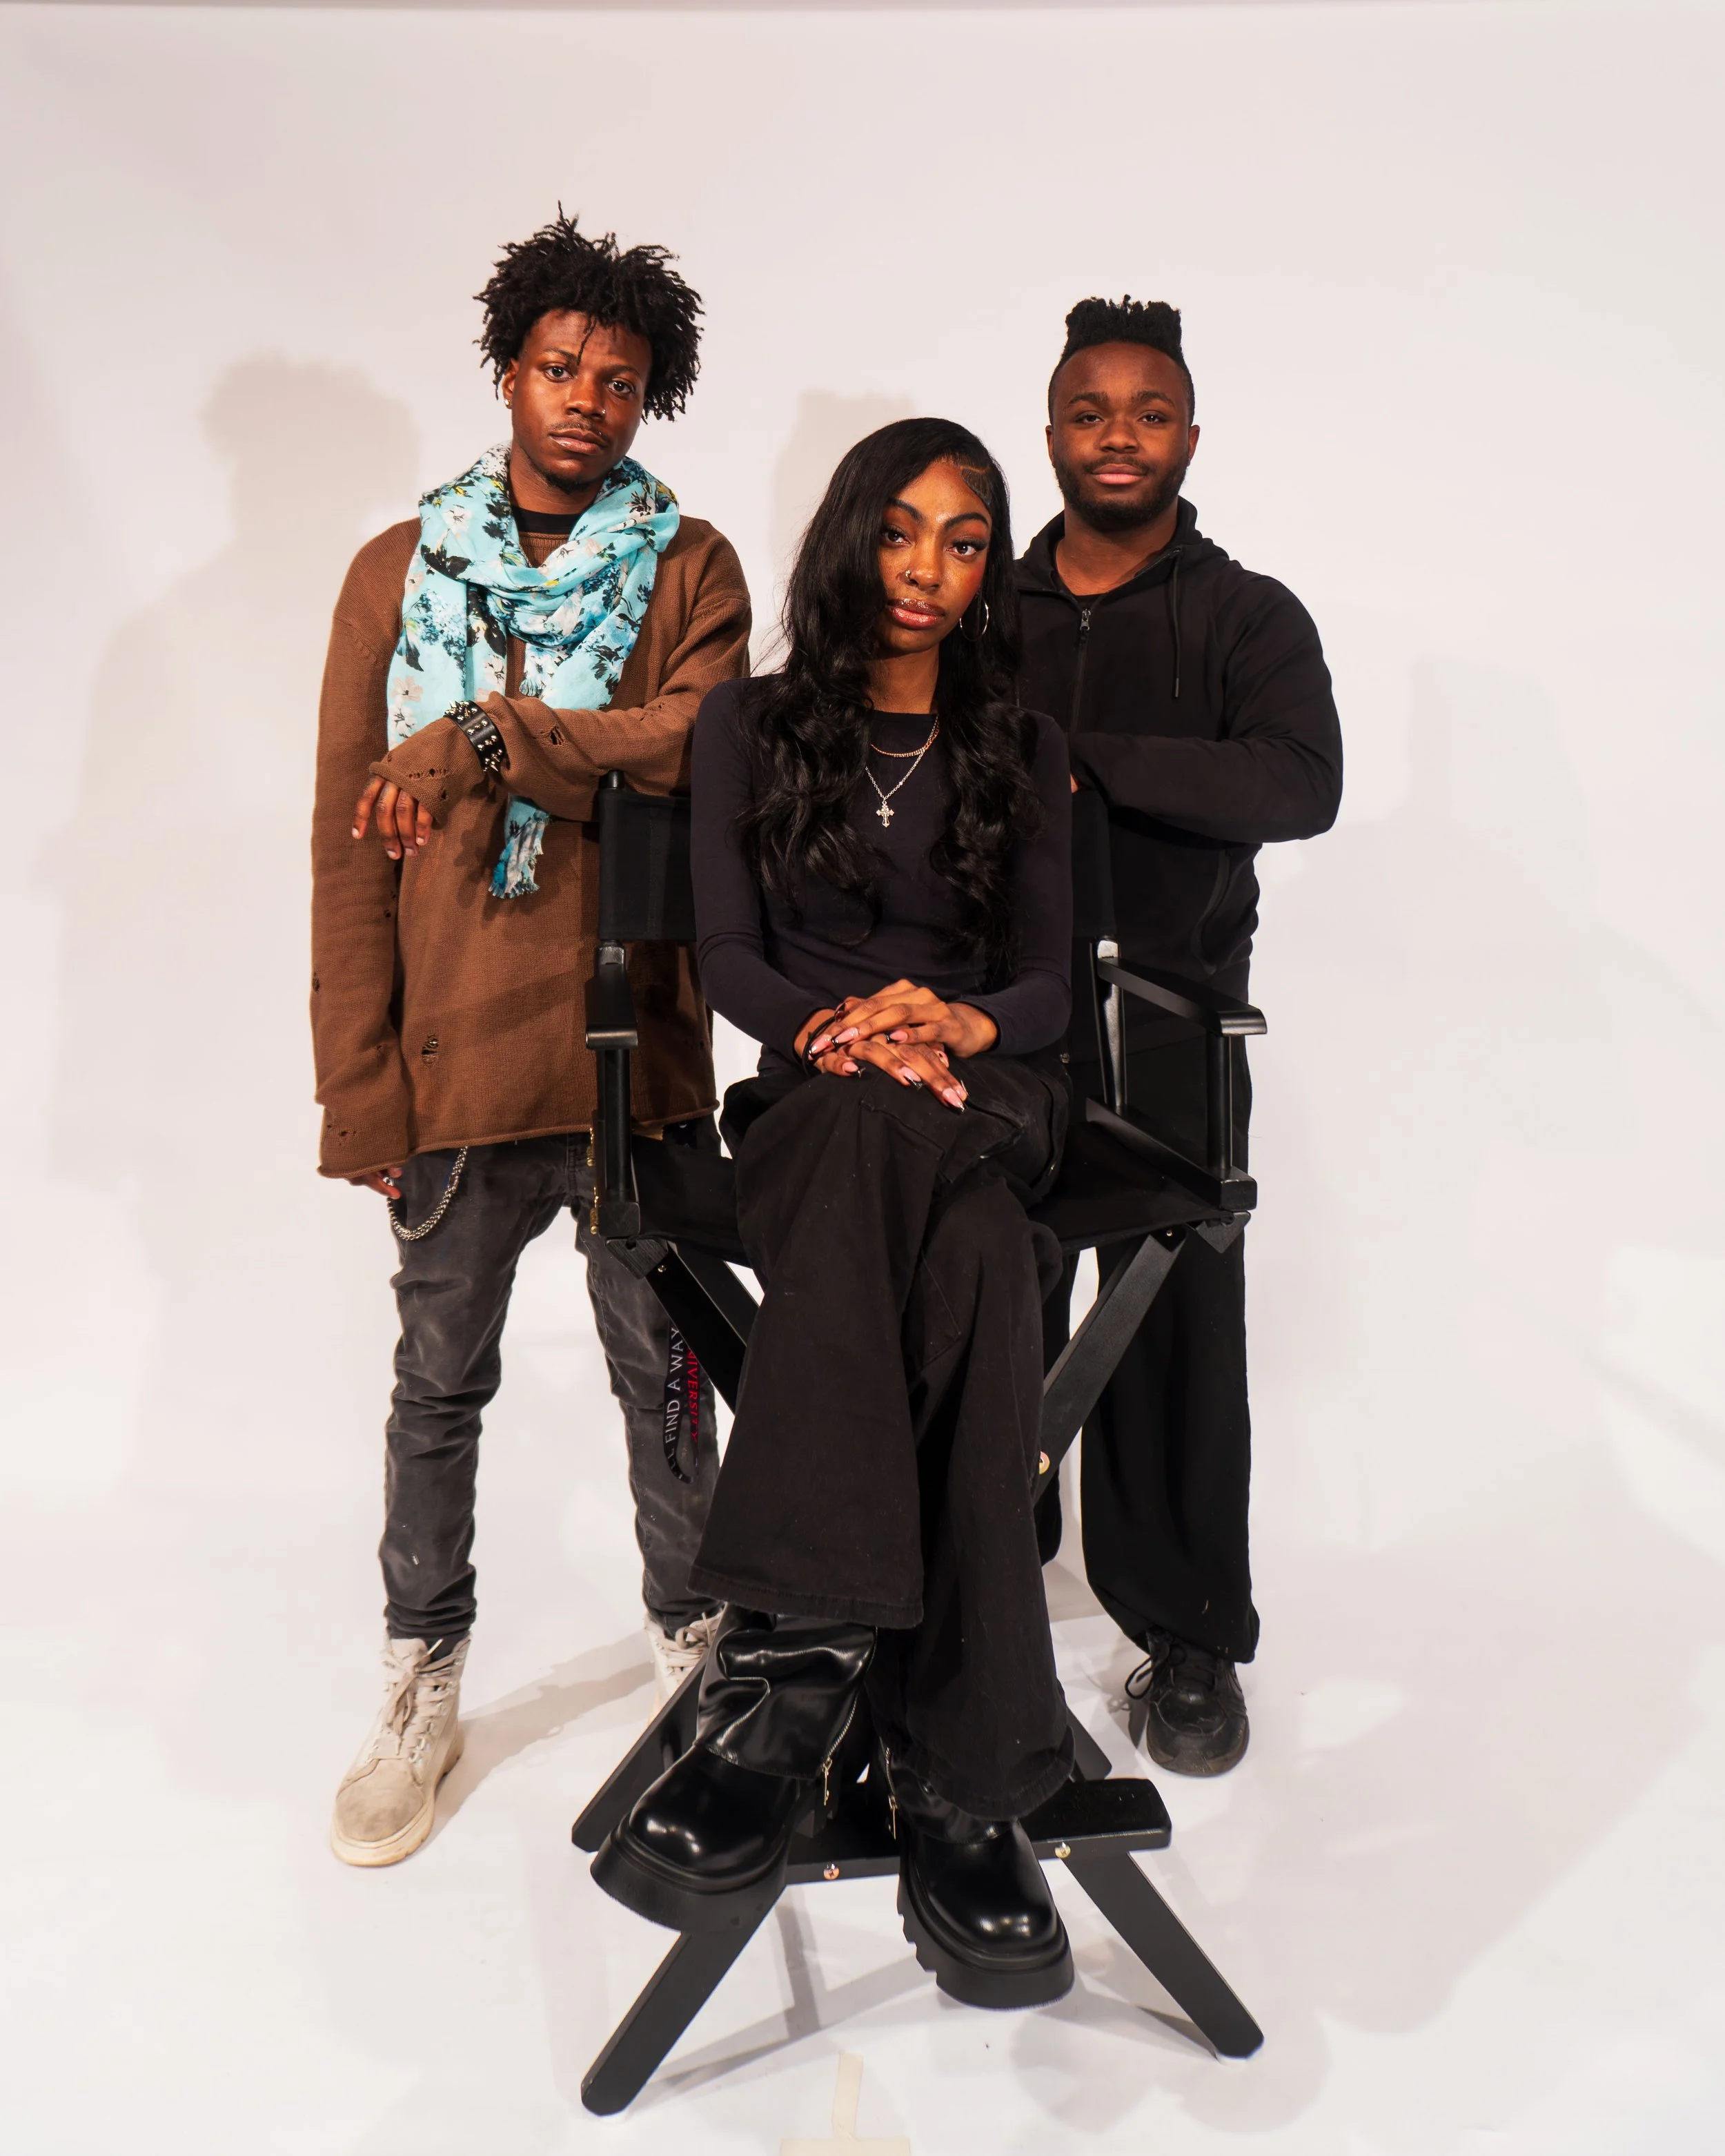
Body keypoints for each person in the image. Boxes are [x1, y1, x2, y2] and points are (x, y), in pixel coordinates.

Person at [592, 419, 1078, 2008]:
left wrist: (944, 1026)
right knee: (983, 1263)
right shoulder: (748, 723)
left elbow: (1042, 984)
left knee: (937, 1178)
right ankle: (966, 1790)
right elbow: (725, 955)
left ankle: (792, 1680)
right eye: (901, 532)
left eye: (963, 538)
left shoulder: (1017, 735)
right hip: (810, 1093)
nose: (929, 570)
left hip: (971, 1087)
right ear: (850, 538)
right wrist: (846, 1030)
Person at [311, 213, 751, 1868]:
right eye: (560, 368)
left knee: (674, 1378)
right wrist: (359, 1081)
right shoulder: (393, 571)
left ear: (651, 402)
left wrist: (491, 732)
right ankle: (421, 1673)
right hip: (452, 1055)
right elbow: (341, 841)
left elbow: (701, 741)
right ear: (509, 370)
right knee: (438, 1383)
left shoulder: (690, 565)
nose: (585, 400)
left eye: (619, 381)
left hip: (640, 1044)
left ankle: (699, 1653)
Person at [1017, 297, 1342, 1777]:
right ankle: (975, 1594)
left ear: (1190, 436)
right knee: (980, 1306)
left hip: (1174, 1025)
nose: (1118, 436)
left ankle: (1189, 1635)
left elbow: (1294, 780)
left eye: (1148, 412)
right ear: (1051, 437)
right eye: (1090, 412)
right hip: (1001, 1025)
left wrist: (1079, 763)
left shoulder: (1246, 614)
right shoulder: (981, 611)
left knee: (1172, 1336)